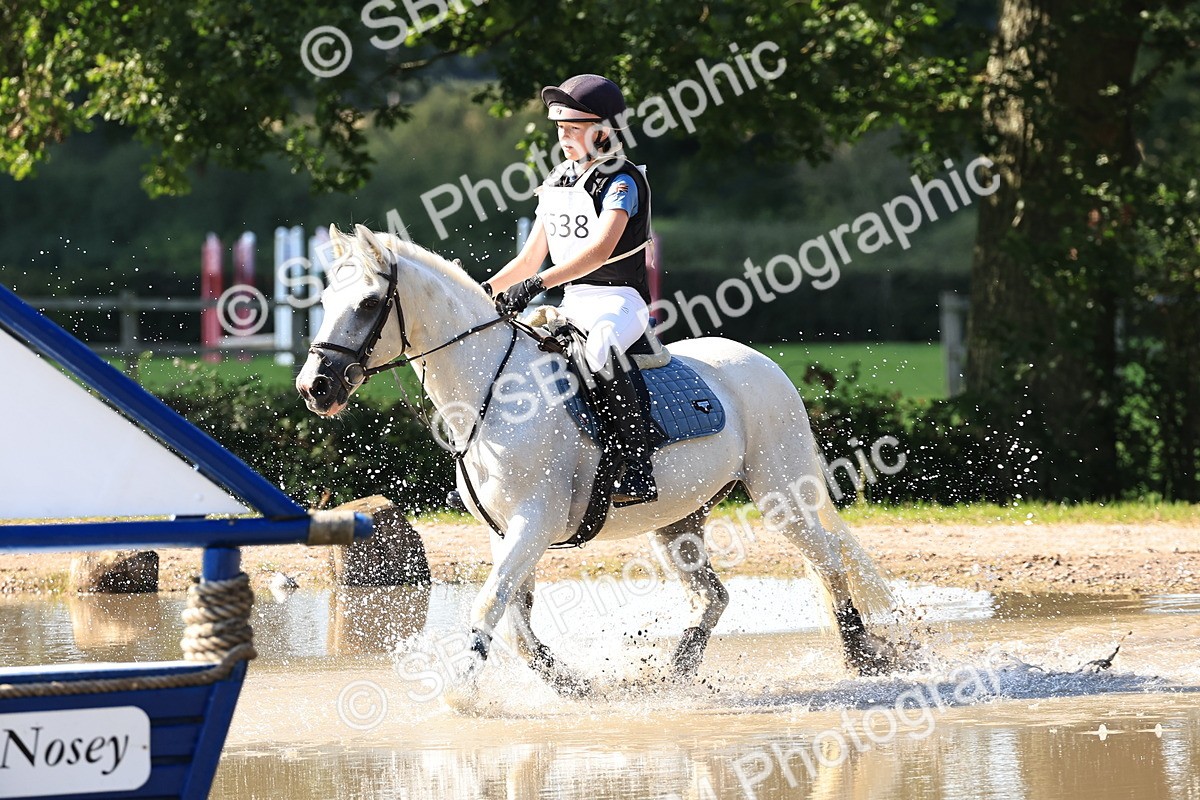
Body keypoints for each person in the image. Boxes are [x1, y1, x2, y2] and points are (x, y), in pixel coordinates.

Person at [483, 74, 657, 507]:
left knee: (599, 350)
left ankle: (638, 466)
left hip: (619, 299)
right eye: (561, 128)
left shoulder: (622, 181)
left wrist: (536, 285)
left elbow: (599, 252)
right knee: (512, 353)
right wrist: (482, 290)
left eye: (574, 128)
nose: (564, 137)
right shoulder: (559, 180)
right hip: (573, 299)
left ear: (605, 131)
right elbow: (528, 260)